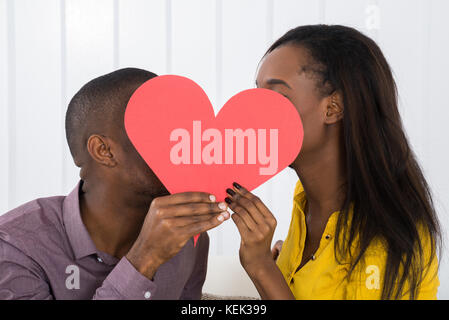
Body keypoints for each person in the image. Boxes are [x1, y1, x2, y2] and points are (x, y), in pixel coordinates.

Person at [225, 25, 441, 299]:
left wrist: (262, 268)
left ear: (333, 108)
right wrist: (288, 269)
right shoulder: (305, 198)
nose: (254, 109)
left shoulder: (385, 239)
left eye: (276, 95)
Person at [0, 68, 230, 299]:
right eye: (162, 129)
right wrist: (143, 259)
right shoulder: (16, 247)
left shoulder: (188, 241)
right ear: (103, 151)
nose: (184, 145)